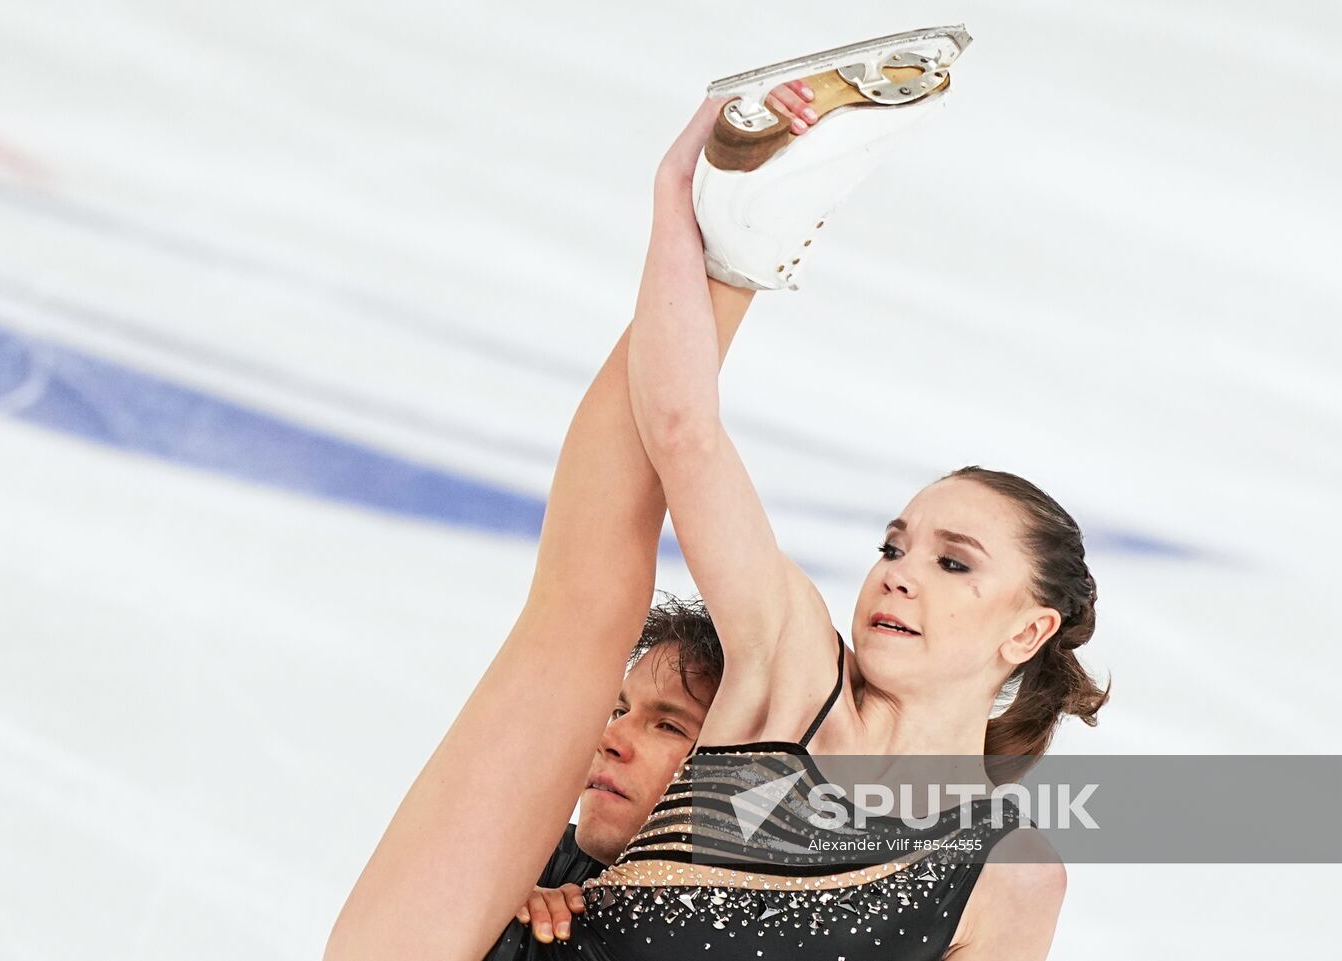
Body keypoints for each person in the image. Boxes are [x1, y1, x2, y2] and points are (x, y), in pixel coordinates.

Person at [328, 30, 1108, 961]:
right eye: (893, 548)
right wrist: (682, 215)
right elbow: (686, 434)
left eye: (952, 563)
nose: (898, 577)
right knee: (588, 604)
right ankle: (742, 237)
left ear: (1028, 631)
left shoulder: (1010, 875)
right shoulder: (792, 680)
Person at [485, 597, 724, 958]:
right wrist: (491, 919)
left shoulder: (806, 911)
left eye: (669, 727)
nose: (607, 740)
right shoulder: (536, 861)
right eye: (619, 711)